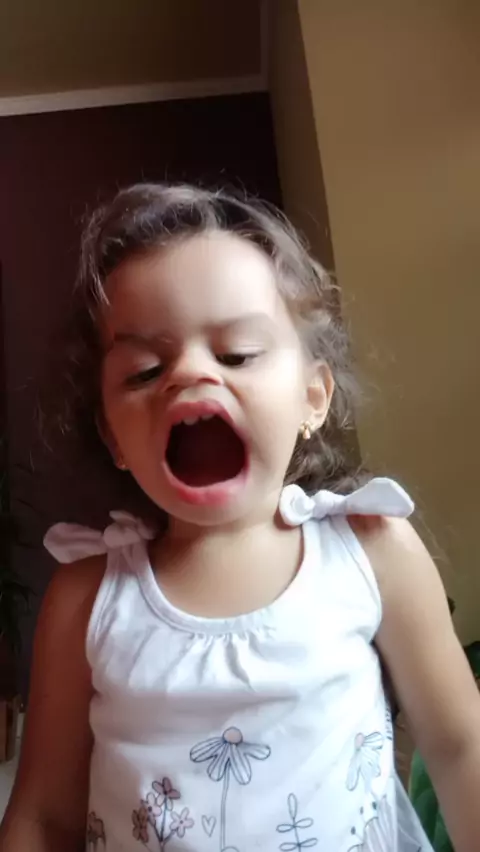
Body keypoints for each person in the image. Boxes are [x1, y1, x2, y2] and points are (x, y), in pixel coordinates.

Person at [1, 184, 479, 852]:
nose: (189, 374)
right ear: (112, 436)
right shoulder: (88, 598)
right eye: (144, 371)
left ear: (313, 396)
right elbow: (44, 814)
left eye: (237, 355)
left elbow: (459, 745)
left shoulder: (371, 549)